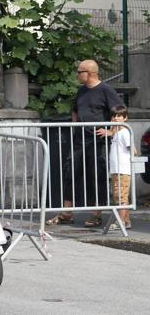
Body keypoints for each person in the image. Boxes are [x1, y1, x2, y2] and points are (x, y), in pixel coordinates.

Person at [46, 59, 122, 227]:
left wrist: (111, 131)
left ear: (91, 73)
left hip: (98, 141)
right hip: (79, 140)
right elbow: (75, 110)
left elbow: (121, 112)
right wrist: (76, 127)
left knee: (97, 175)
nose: (77, 74)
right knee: (71, 172)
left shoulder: (106, 90)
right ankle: (67, 213)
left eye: (80, 72)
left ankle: (96, 214)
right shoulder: (81, 91)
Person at [108, 105, 135, 230]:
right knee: (118, 196)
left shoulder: (124, 132)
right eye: (114, 116)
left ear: (125, 118)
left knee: (121, 197)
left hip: (122, 170)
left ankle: (121, 222)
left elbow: (133, 150)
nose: (116, 118)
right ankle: (126, 221)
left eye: (119, 116)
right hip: (116, 170)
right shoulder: (117, 132)